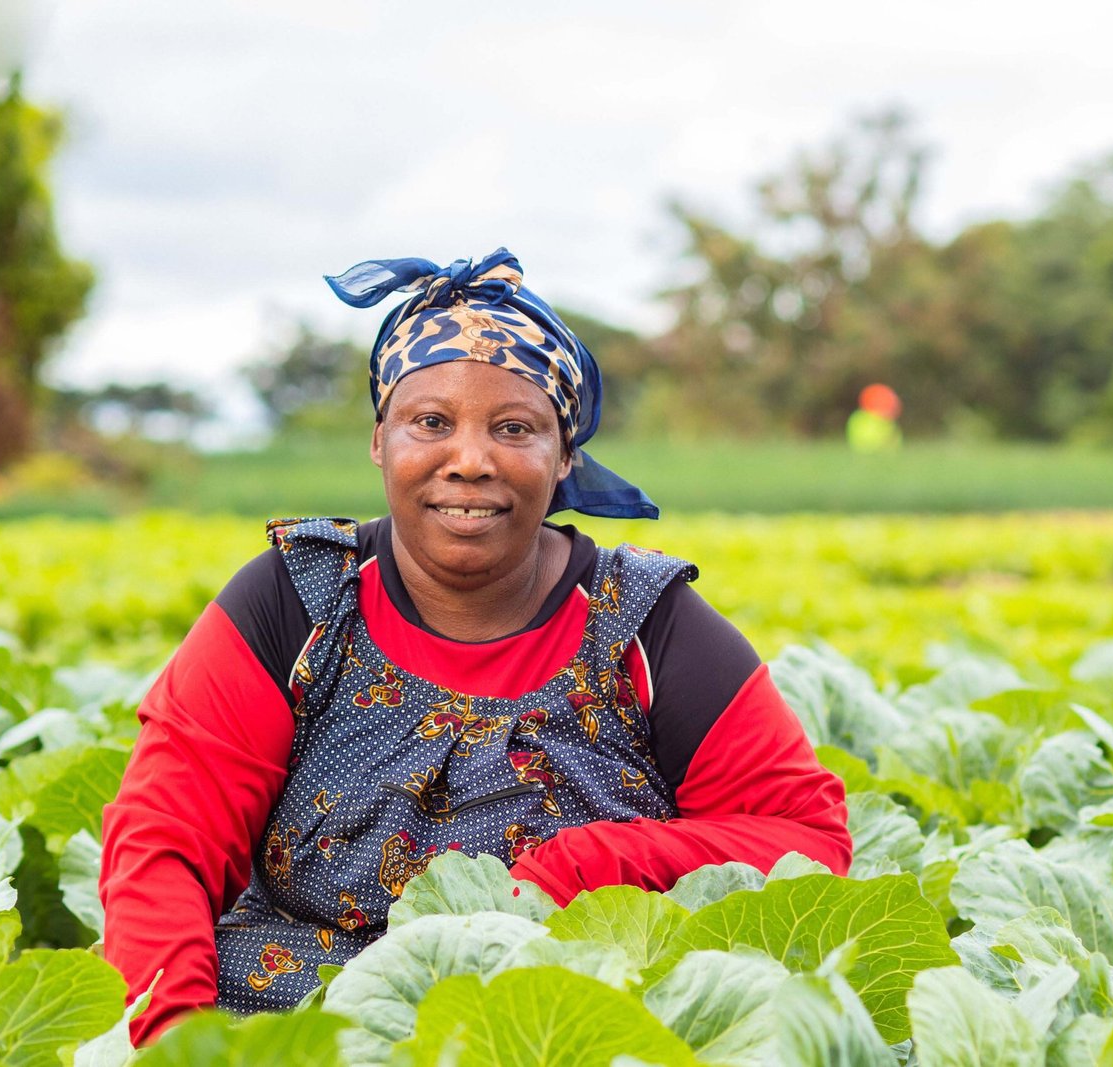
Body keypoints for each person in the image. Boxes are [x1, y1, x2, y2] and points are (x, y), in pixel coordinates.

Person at [99, 248, 852, 1044]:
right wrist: (179, 1048)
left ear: (564, 459)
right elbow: (163, 846)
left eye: (513, 428)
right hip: (300, 1025)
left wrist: (591, 863)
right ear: (379, 440)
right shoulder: (294, 604)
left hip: (568, 1032)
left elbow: (807, 842)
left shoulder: (649, 628)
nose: (468, 460)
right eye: (430, 422)